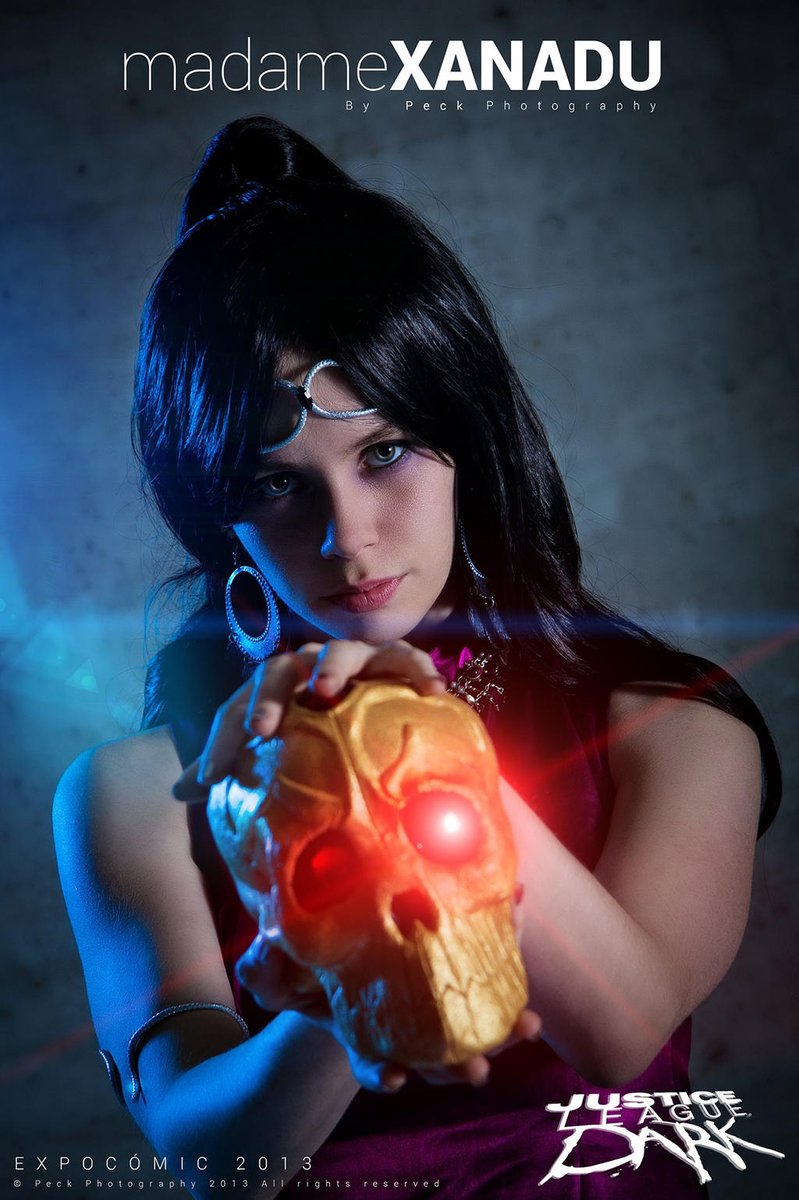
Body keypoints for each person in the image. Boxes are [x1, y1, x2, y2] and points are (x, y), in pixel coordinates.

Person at [53, 116, 780, 1200]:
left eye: (383, 451)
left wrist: (432, 765)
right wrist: (346, 939)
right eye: (276, 484)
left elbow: (618, 1036)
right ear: (217, 514)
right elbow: (216, 1167)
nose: (346, 538)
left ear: (466, 442)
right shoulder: (141, 794)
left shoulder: (672, 727)